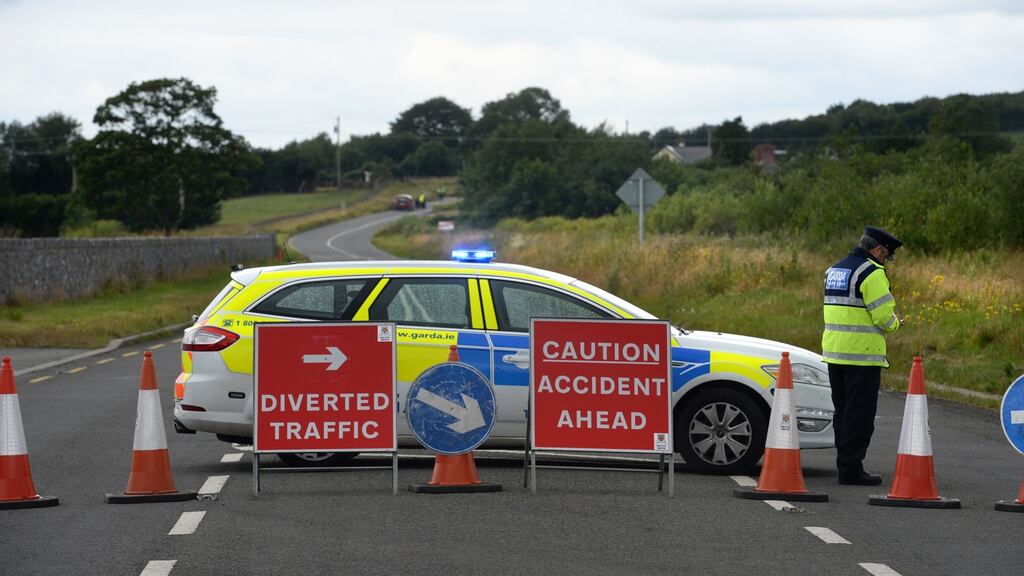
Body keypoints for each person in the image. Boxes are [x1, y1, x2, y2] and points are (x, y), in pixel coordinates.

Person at [822, 226, 902, 485]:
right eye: (886, 255)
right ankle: (851, 469)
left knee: (843, 412)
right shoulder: (872, 272)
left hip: (835, 353)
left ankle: (844, 463)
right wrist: (896, 323)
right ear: (877, 249)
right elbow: (882, 316)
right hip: (862, 355)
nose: (885, 261)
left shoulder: (834, 270)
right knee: (860, 415)